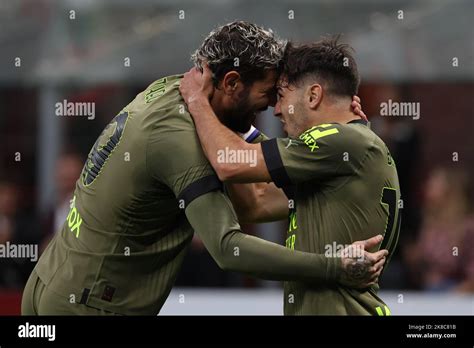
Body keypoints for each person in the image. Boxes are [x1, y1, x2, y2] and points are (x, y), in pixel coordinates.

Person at [22, 21, 386, 316]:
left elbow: (249, 176)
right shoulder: (181, 140)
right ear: (231, 83)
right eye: (268, 95)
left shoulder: (168, 91)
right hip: (87, 304)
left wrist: (327, 143)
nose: (273, 108)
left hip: (50, 281)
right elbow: (229, 248)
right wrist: (333, 267)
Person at [179, 37, 401, 315]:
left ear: (313, 96)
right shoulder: (344, 153)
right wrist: (230, 117)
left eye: (282, 95)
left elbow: (228, 161)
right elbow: (256, 204)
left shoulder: (341, 140)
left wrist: (198, 102)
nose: (276, 109)